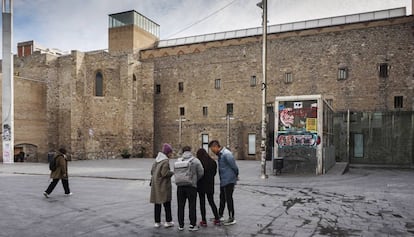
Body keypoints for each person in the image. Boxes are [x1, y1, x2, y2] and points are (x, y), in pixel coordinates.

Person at [208, 140, 239, 226]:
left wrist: (236, 175)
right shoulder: (221, 155)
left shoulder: (226, 154)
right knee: (222, 198)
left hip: (229, 180)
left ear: (216, 147)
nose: (212, 152)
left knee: (229, 198)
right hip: (224, 180)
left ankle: (232, 218)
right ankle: (220, 215)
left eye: (212, 149)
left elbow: (234, 166)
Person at [175, 146, 204, 231]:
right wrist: (195, 179)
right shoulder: (195, 160)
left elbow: (175, 172)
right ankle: (192, 225)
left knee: (180, 206)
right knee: (192, 206)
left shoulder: (178, 160)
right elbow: (201, 172)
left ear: (182, 151)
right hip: (191, 186)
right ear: (190, 151)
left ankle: (181, 225)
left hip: (180, 186)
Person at [150, 143, 175, 228]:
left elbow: (152, 171)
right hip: (163, 186)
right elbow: (165, 173)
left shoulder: (157, 160)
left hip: (156, 185)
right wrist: (172, 172)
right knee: (167, 203)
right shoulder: (165, 161)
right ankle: (168, 221)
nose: (171, 154)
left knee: (157, 203)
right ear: (168, 153)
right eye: (171, 152)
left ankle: (157, 222)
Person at [196, 148, 220, 227]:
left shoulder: (199, 163)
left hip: (201, 185)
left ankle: (204, 220)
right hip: (210, 185)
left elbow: (197, 174)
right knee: (211, 202)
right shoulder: (212, 162)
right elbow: (214, 173)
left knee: (202, 203)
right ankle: (217, 218)